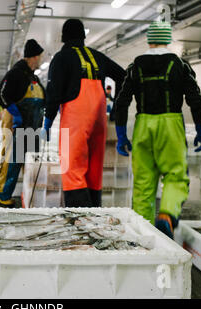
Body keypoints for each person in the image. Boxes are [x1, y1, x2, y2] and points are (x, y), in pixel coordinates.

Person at [113, 21, 201, 239]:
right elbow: (195, 99)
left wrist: (121, 136)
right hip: (170, 124)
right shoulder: (179, 65)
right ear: (167, 39)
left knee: (143, 183)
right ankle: (166, 215)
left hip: (143, 125)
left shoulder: (135, 66)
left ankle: (141, 234)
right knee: (176, 176)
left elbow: (122, 102)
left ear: (149, 39)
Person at [41, 19, 126, 208]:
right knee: (94, 172)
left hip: (76, 120)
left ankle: (81, 222)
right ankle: (96, 214)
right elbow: (124, 75)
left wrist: (47, 122)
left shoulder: (61, 58)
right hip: (99, 118)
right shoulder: (98, 56)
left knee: (72, 169)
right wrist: (117, 109)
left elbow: (53, 93)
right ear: (83, 36)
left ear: (63, 37)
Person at [0, 39, 46, 208]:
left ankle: (28, 193)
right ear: (34, 56)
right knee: (12, 160)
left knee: (28, 161)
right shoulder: (16, 73)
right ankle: (2, 194)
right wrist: (15, 113)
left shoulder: (34, 77)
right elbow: (0, 94)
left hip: (32, 126)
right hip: (18, 124)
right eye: (39, 56)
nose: (40, 60)